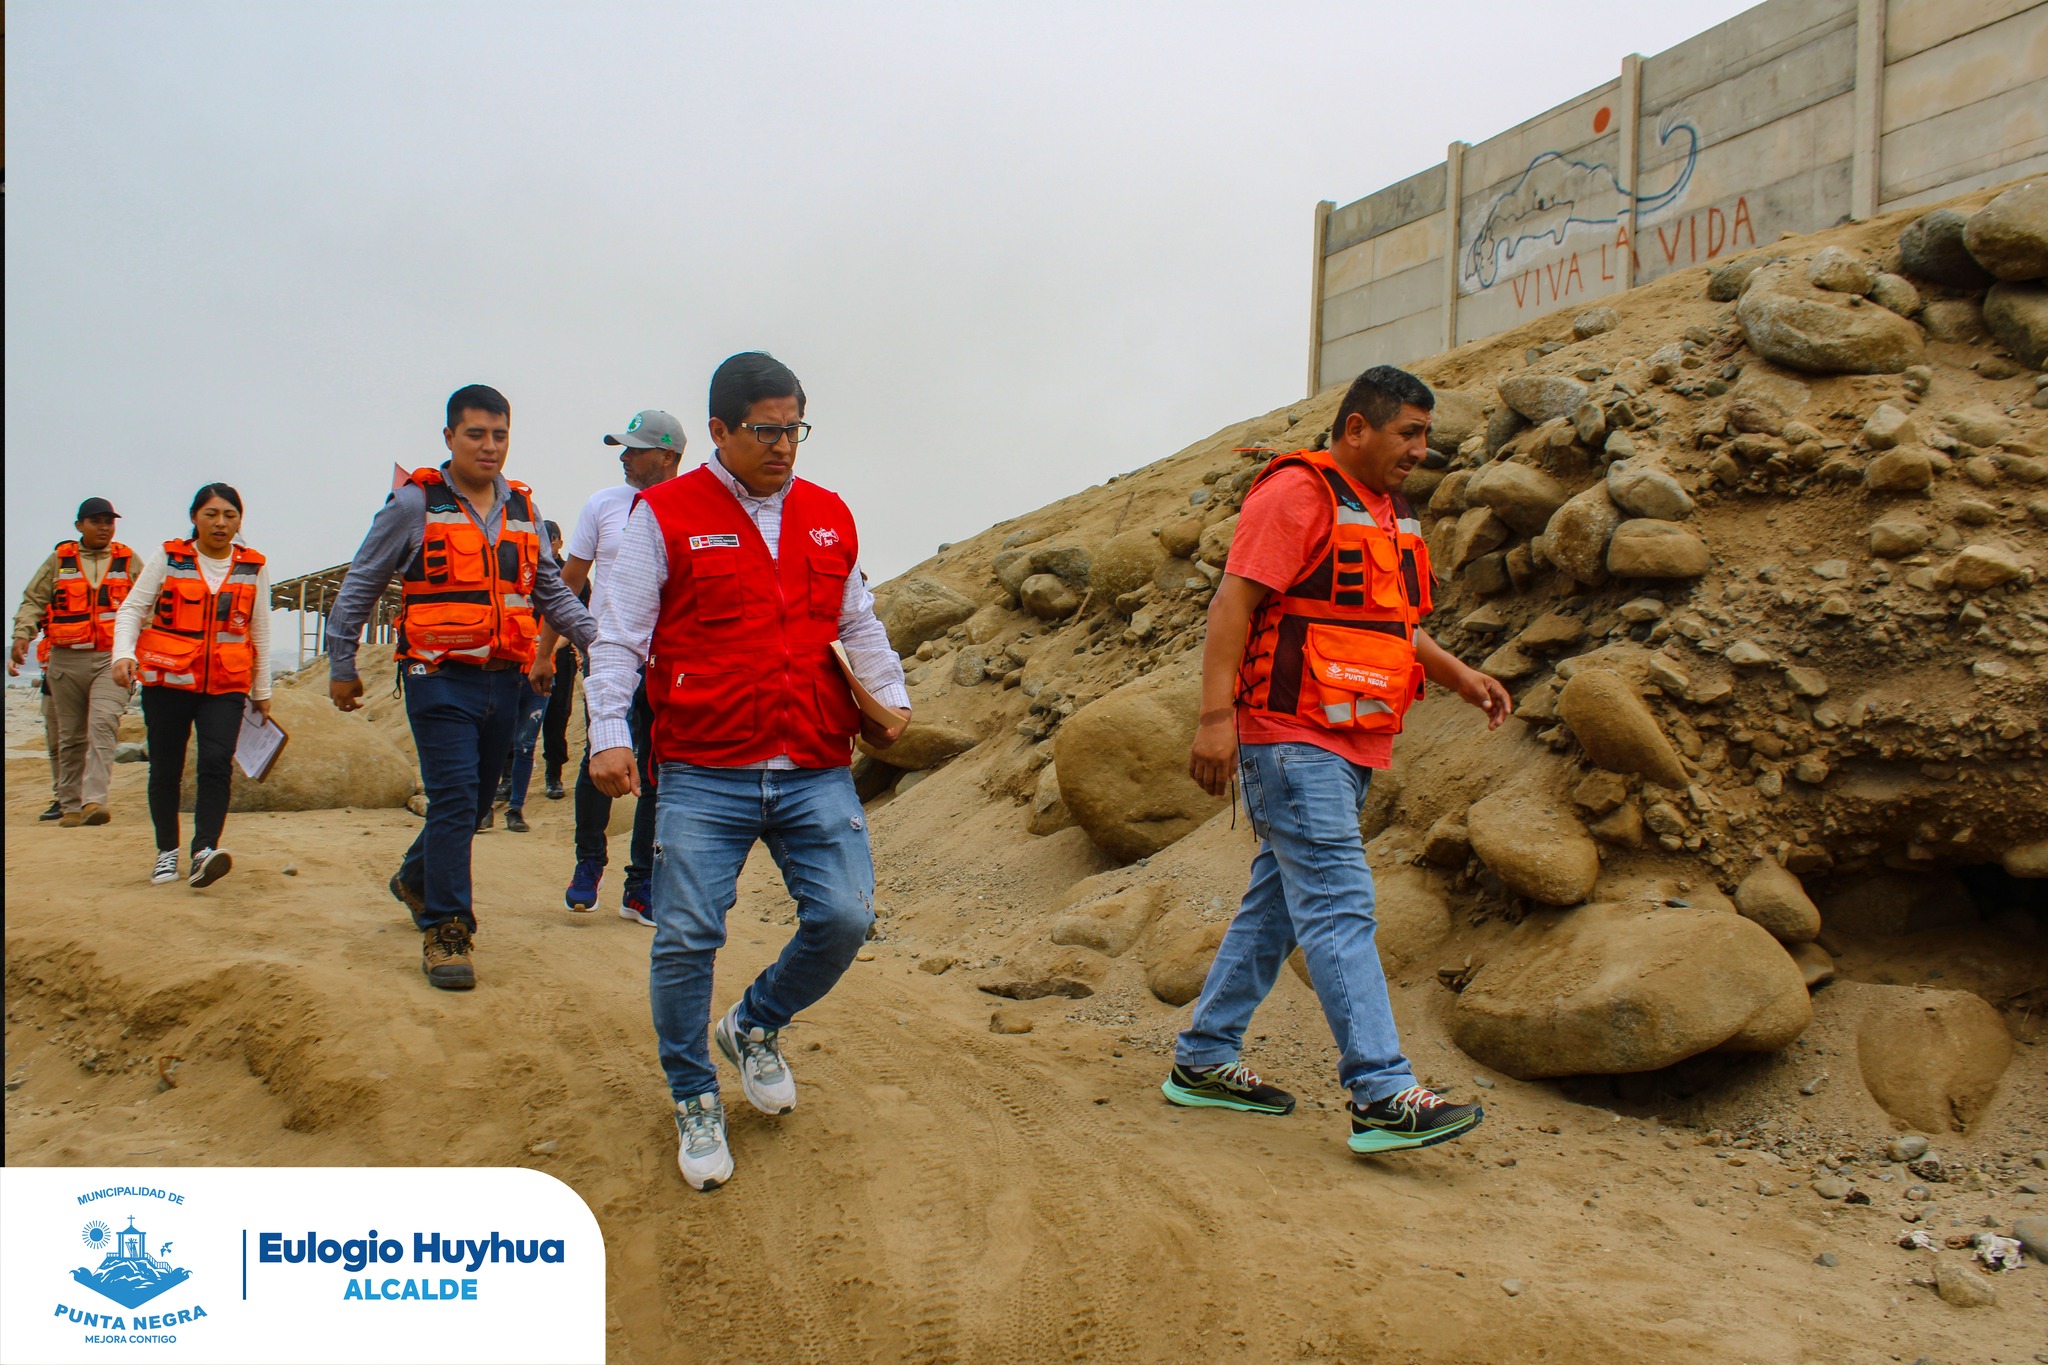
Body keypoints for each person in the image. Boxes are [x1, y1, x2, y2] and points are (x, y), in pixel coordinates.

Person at [1168, 365, 1511, 1155]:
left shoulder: (1387, 514)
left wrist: (1459, 676)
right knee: (1338, 899)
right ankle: (1382, 1092)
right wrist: (1215, 718)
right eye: (1408, 433)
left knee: (1283, 903)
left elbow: (1390, 622)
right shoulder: (1296, 493)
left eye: (1426, 434)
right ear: (1356, 427)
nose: (1421, 450)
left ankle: (1205, 1056)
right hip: (1289, 732)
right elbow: (1234, 603)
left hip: (1349, 735)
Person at [587, 352, 910, 1191]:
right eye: (765, 429)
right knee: (689, 933)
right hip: (704, 765)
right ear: (721, 431)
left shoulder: (829, 514)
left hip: (812, 758)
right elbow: (619, 634)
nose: (783, 445)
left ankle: (755, 1024)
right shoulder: (664, 515)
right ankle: (694, 1095)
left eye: (794, 427)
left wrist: (891, 697)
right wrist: (608, 732)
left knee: (845, 917)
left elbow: (858, 619)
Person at [327, 384, 597, 991]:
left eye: (499, 435)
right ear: (449, 437)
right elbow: (360, 584)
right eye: (476, 434)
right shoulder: (413, 504)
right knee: (453, 799)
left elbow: (550, 589)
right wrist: (342, 665)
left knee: (476, 805)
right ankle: (448, 928)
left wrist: (596, 639)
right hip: (436, 675)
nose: (489, 446)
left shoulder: (524, 508)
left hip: (506, 678)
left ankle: (416, 878)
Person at [537, 409, 685, 925]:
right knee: (600, 756)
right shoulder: (603, 505)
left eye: (635, 448)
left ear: (667, 455)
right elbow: (567, 582)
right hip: (608, 657)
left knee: (656, 769)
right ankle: (588, 864)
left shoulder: (690, 506)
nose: (624, 457)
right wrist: (544, 652)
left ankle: (641, 883)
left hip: (669, 663)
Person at [111, 484, 271, 888]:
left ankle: (204, 851)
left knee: (216, 763)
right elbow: (132, 608)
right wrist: (123, 654)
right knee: (167, 767)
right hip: (169, 683)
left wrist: (263, 690)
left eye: (230, 515)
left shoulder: (254, 567)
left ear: (240, 520)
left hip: (226, 684)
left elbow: (261, 630)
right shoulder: (169, 558)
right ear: (195, 517)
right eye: (212, 514)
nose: (221, 523)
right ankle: (167, 852)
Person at [11, 498, 138, 827]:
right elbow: (34, 599)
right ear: (79, 526)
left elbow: (149, 600)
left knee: (103, 725)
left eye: (109, 521)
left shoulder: (127, 560)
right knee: (70, 737)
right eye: (96, 521)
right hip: (66, 661)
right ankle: (69, 804)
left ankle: (94, 801)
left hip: (112, 660)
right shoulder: (58, 560)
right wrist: (22, 635)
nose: (104, 527)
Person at [486, 520, 569, 833]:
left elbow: (564, 622)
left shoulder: (554, 582)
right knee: (496, 741)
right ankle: (486, 808)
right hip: (504, 670)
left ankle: (516, 809)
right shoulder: (503, 576)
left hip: (540, 672)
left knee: (525, 743)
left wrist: (546, 648)